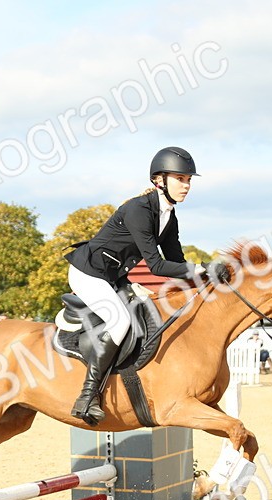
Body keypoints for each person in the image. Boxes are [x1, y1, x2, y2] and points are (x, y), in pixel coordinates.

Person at [64, 146, 217, 425]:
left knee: (142, 314)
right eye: (181, 179)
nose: (187, 186)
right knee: (121, 322)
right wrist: (202, 268)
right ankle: (86, 397)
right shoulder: (139, 209)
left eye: (189, 180)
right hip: (88, 273)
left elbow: (177, 262)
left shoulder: (168, 215)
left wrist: (207, 277)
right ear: (160, 180)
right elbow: (157, 266)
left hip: (114, 277)